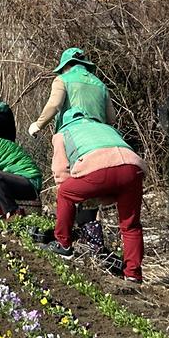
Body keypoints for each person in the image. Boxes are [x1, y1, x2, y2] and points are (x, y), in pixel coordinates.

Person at [48, 108, 146, 283]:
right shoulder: (106, 128)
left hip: (98, 168)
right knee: (131, 224)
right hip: (133, 167)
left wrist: (71, 197)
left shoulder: (63, 133)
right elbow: (117, 171)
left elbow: (61, 171)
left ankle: (63, 244)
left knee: (65, 193)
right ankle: (133, 273)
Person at [28, 48, 115, 137]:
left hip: (73, 129)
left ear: (66, 66)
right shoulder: (101, 85)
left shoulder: (62, 79)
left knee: (59, 143)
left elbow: (55, 104)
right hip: (101, 131)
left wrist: (38, 125)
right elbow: (111, 119)